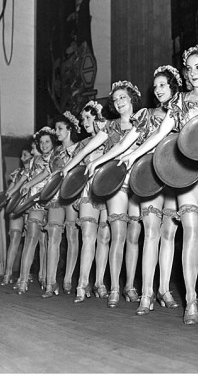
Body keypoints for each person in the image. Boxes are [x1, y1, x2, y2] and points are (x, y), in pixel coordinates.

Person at [118, 43, 198, 325]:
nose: (193, 71)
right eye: (190, 68)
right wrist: (132, 155)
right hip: (181, 173)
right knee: (183, 231)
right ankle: (179, 297)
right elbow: (156, 136)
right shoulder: (175, 105)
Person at [87, 65, 183, 315]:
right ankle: (147, 293)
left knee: (169, 235)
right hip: (150, 176)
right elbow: (126, 143)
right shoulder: (146, 115)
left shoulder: (184, 109)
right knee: (150, 232)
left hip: (176, 176)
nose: (160, 90)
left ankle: (164, 288)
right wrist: (99, 161)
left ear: (174, 85)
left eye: (164, 85)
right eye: (157, 86)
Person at [61, 80, 142, 305]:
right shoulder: (111, 127)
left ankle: (129, 286)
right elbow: (87, 148)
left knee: (133, 236)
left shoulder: (145, 119)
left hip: (140, 183)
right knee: (117, 234)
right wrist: (69, 166)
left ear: (132, 98)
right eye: (114, 100)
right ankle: (114, 287)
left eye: (122, 98)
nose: (118, 103)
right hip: (115, 184)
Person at [68, 101, 111, 301]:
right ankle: (81, 284)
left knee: (104, 238)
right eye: (83, 118)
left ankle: (100, 283)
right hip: (88, 190)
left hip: (109, 190)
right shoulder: (82, 145)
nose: (85, 122)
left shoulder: (111, 136)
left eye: (88, 117)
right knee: (87, 236)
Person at [41, 112, 80, 298]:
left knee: (72, 237)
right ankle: (50, 283)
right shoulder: (55, 152)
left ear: (70, 129)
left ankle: (68, 279)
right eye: (56, 129)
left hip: (71, 196)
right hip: (55, 197)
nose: (56, 132)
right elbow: (47, 174)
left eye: (60, 129)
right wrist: (30, 187)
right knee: (53, 237)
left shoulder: (80, 148)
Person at [15, 127, 57, 294]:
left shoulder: (59, 157)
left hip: (54, 202)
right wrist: (12, 193)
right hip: (35, 203)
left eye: (47, 141)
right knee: (31, 239)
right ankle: (23, 280)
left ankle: (47, 279)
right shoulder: (33, 161)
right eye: (41, 142)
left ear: (53, 142)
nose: (44, 145)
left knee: (47, 243)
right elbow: (23, 180)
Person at [1, 142, 40, 286]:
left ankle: (18, 275)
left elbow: (10, 192)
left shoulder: (31, 170)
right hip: (21, 207)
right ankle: (9, 274)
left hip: (28, 207)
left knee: (27, 242)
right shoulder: (20, 172)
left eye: (26, 154)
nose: (23, 157)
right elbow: (9, 192)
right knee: (17, 240)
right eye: (22, 155)